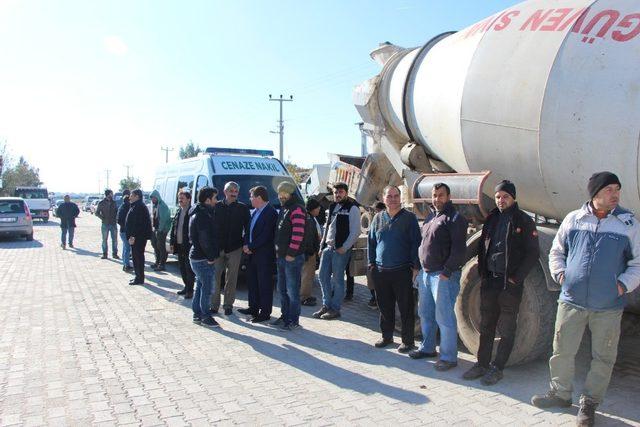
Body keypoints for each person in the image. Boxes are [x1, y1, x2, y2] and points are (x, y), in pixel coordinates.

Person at [532, 172, 640, 426]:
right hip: (571, 300)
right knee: (562, 351)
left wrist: (623, 285)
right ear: (595, 193)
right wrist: (560, 275)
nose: (615, 195)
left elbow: (637, 262)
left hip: (608, 306)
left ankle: (589, 403)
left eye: (617, 189)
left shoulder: (627, 224)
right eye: (609, 190)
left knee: (603, 356)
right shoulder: (574, 219)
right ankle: (560, 394)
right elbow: (557, 251)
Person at [462, 180, 539, 383]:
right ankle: (481, 364)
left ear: (513, 198)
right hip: (490, 282)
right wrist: (483, 273)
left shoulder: (522, 221)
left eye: (505, 196)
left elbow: (532, 254)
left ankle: (497, 367)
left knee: (506, 328)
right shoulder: (492, 219)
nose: (501, 200)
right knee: (487, 326)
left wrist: (516, 278)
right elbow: (482, 248)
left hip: (509, 285)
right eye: (498, 197)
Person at [411, 183, 468, 371]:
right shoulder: (431, 216)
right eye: (434, 195)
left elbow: (459, 249)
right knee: (426, 314)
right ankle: (428, 348)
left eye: (441, 195)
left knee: (444, 318)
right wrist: (418, 268)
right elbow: (423, 245)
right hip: (426, 275)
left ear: (449, 196)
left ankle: (449, 357)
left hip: (443, 276)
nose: (437, 199)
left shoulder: (455, 218)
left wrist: (447, 271)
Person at [367, 185, 421, 352]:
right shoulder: (377, 218)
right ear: (384, 199)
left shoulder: (409, 218)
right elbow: (371, 242)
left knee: (406, 307)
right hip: (381, 271)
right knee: (384, 306)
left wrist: (415, 267)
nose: (393, 199)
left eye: (396, 195)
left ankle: (408, 341)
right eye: (389, 196)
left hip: (402, 270)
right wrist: (371, 264)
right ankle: (386, 336)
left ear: (400, 197)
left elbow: (416, 243)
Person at [314, 182, 360, 320]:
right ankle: (326, 305)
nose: (337, 194)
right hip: (328, 248)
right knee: (322, 276)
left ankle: (335, 309)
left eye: (340, 192)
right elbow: (327, 227)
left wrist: (344, 247)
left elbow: (355, 231)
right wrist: (321, 247)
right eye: (335, 192)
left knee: (338, 280)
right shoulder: (332, 206)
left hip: (340, 250)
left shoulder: (353, 209)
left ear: (346, 193)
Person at [239, 186, 278, 323]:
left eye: (252, 197)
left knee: (264, 284)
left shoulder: (271, 213)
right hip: (251, 254)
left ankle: (265, 312)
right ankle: (253, 308)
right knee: (253, 282)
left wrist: (250, 246)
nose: (250, 199)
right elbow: (248, 230)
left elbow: (266, 235)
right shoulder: (255, 211)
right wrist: (246, 244)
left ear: (259, 198)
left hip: (264, 256)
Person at [212, 181, 251, 316]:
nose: (234, 193)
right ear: (225, 192)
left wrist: (246, 243)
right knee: (215, 277)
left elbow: (248, 228)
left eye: (236, 191)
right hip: (218, 248)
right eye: (231, 191)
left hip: (235, 248)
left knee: (232, 278)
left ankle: (228, 305)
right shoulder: (216, 206)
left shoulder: (243, 208)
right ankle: (214, 305)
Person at [272, 181, 306, 330]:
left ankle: (293, 320)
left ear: (290, 194)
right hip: (281, 257)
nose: (281, 196)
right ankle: (285, 316)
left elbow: (298, 234)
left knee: (292, 291)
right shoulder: (284, 209)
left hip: (292, 258)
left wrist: (291, 254)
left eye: (284, 193)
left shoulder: (297, 209)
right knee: (282, 289)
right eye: (279, 194)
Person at [189, 187, 221, 328]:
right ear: (207, 200)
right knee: (207, 289)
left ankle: (197, 314)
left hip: (198, 257)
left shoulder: (201, 212)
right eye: (215, 198)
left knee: (200, 286)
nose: (217, 201)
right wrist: (211, 256)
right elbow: (204, 239)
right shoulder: (202, 215)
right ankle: (205, 317)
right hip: (202, 258)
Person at [170, 190, 196, 299]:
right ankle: (186, 287)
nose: (180, 200)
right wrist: (172, 242)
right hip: (179, 244)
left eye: (182, 198)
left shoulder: (192, 212)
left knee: (189, 269)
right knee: (182, 268)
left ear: (189, 199)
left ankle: (190, 290)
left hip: (188, 245)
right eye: (179, 198)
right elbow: (173, 228)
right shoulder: (178, 211)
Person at [125, 189, 152, 285]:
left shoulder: (139, 207)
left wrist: (133, 236)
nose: (130, 197)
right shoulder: (136, 206)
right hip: (136, 237)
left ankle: (139, 278)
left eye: (131, 195)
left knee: (138, 258)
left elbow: (138, 224)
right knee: (136, 258)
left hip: (138, 238)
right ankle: (138, 276)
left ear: (137, 196)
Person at [300, 198, 322, 307]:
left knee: (307, 275)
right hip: (308, 253)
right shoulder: (309, 219)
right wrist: (311, 252)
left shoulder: (308, 217)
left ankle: (306, 295)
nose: (319, 210)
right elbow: (308, 238)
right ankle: (304, 297)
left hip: (307, 252)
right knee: (307, 276)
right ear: (313, 208)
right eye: (318, 208)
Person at [365, 201, 386, 308]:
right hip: (375, 259)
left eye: (376, 210)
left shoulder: (386, 221)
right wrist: (370, 260)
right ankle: (374, 298)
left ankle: (378, 300)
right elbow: (371, 241)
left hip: (383, 261)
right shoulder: (375, 221)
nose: (375, 212)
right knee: (371, 280)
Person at [149, 190, 171, 271]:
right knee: (154, 245)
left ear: (157, 197)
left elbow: (163, 219)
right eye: (151, 198)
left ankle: (162, 264)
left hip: (162, 229)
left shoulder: (162, 206)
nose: (152, 200)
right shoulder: (155, 205)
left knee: (161, 247)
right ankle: (157, 262)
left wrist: (160, 230)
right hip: (156, 229)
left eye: (154, 198)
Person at [95, 189, 119, 259]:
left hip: (113, 224)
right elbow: (97, 213)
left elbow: (116, 211)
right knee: (104, 240)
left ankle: (115, 254)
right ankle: (105, 254)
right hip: (105, 224)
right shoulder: (101, 203)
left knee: (114, 240)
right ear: (108, 194)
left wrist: (116, 218)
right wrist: (102, 218)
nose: (112, 195)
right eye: (112, 194)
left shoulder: (114, 203)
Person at [116, 190, 132, 272]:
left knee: (125, 248)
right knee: (127, 248)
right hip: (125, 231)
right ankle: (126, 265)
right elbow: (120, 220)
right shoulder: (126, 208)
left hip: (123, 231)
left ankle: (125, 264)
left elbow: (118, 220)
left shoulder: (122, 207)